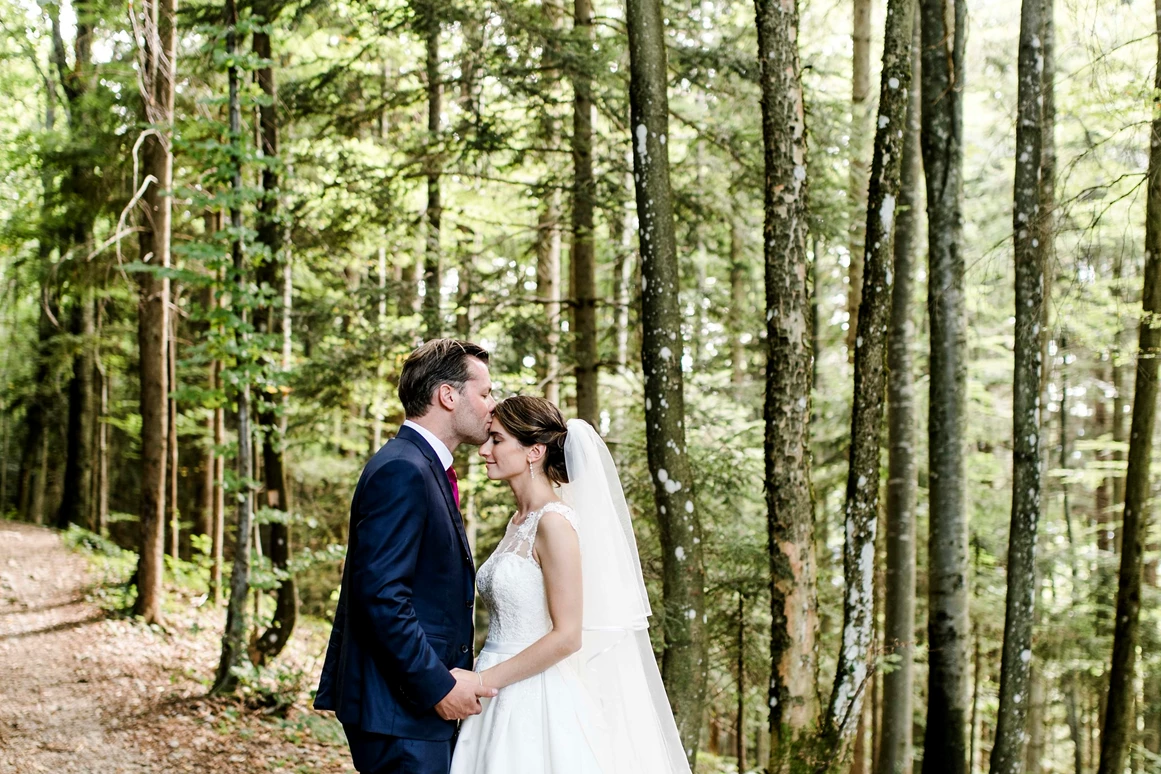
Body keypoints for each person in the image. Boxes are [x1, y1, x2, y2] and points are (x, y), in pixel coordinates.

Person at [449, 396, 691, 774]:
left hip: (531, 695)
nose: (483, 450)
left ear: (534, 451)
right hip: (495, 684)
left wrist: (482, 680)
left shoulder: (554, 523)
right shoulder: (518, 521)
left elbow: (567, 637)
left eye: (496, 440)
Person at [315, 339, 498, 774]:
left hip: (410, 713)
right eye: (485, 392)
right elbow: (380, 595)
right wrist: (437, 686)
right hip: (401, 713)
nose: (493, 405)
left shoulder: (420, 465)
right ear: (448, 395)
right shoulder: (403, 469)